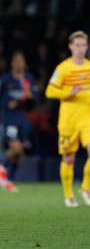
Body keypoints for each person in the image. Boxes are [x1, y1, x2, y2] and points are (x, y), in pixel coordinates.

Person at [45, 31, 90, 208]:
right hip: (68, 120)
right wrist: (68, 92)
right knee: (68, 159)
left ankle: (85, 188)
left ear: (87, 47)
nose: (81, 49)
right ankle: (68, 195)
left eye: (83, 45)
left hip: (88, 117)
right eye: (77, 45)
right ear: (71, 46)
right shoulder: (63, 68)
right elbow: (49, 91)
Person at [0, 51, 37, 182]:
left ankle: (8, 180)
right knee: (16, 149)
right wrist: (7, 103)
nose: (18, 63)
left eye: (21, 60)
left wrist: (30, 97)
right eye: (16, 60)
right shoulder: (5, 79)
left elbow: (36, 99)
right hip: (10, 119)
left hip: (23, 120)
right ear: (12, 63)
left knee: (19, 154)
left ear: (25, 63)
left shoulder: (28, 79)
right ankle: (2, 171)